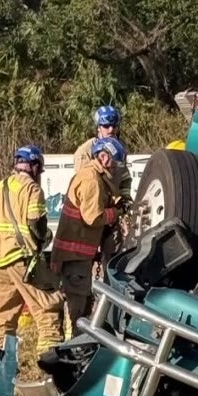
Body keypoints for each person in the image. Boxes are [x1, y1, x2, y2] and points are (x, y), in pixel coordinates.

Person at [0, 145, 64, 364]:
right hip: (22, 260)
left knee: (1, 321)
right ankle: (51, 367)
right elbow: (35, 223)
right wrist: (43, 239)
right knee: (47, 308)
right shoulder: (32, 189)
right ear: (35, 167)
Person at [53, 136, 126, 333]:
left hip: (77, 255)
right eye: (114, 163)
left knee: (82, 304)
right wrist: (116, 213)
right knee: (78, 309)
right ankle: (76, 348)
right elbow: (93, 218)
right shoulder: (91, 180)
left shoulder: (91, 175)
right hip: (74, 256)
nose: (115, 169)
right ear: (103, 157)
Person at [74, 105, 133, 276]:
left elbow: (124, 177)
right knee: (85, 260)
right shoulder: (84, 151)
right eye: (107, 126)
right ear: (98, 127)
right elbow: (85, 185)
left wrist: (124, 201)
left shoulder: (119, 148)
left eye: (114, 126)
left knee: (113, 257)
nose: (111, 129)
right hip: (91, 212)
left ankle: (109, 293)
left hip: (111, 214)